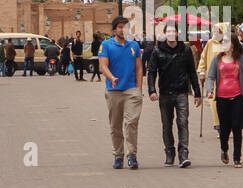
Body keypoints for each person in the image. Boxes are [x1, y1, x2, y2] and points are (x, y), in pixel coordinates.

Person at [147, 22, 202, 167]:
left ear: (178, 33)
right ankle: (169, 152)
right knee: (167, 124)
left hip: (181, 92)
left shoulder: (185, 50)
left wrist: (197, 93)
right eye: (168, 31)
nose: (171, 33)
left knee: (183, 122)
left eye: (174, 31)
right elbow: (151, 72)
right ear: (165, 33)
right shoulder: (157, 51)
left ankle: (183, 153)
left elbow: (192, 72)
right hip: (165, 93)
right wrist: (152, 90)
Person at [204, 29, 243, 167]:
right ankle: (224, 149)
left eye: (227, 41)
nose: (223, 43)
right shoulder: (217, 60)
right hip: (222, 97)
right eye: (223, 41)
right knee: (224, 129)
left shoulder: (241, 59)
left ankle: (237, 157)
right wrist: (210, 90)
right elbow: (210, 76)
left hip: (238, 96)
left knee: (236, 126)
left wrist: (242, 45)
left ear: (233, 44)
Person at [97, 16, 144, 170]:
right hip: (113, 90)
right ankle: (118, 155)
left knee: (131, 122)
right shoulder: (106, 45)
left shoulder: (134, 46)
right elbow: (103, 65)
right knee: (115, 125)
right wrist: (111, 78)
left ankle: (132, 155)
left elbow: (138, 68)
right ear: (114, 29)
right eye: (120, 27)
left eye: (125, 27)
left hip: (131, 89)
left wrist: (139, 88)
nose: (123, 30)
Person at [197, 22, 230, 132]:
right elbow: (203, 57)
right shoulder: (210, 43)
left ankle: (227, 124)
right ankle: (219, 125)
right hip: (213, 78)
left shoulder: (228, 43)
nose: (215, 33)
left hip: (228, 78)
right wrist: (202, 71)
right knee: (214, 102)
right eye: (214, 31)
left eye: (218, 31)